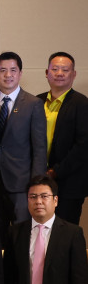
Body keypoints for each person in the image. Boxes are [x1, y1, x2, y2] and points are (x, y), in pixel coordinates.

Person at [0, 51, 46, 229]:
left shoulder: (33, 104)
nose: (8, 75)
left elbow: (39, 149)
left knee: (22, 234)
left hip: (22, 185)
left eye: (13, 70)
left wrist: (37, 185)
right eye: (3, 70)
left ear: (20, 73)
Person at [37, 52, 88, 225]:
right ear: (47, 73)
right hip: (38, 180)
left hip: (69, 183)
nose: (59, 73)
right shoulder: (37, 101)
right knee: (39, 230)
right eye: (55, 69)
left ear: (74, 74)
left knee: (64, 231)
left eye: (65, 70)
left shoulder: (82, 104)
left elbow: (83, 146)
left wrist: (55, 171)